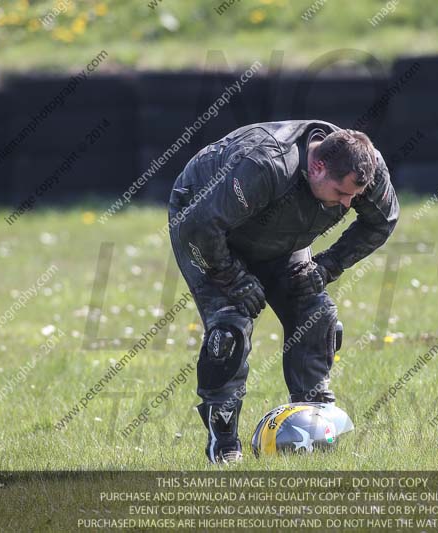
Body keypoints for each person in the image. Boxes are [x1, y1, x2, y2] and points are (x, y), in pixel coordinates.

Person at [168, 120, 399, 463]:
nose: (349, 204)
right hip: (208, 231)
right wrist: (232, 276)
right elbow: (201, 225)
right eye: (341, 194)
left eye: (355, 196)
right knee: (230, 330)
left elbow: (382, 221)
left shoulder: (364, 165)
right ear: (317, 166)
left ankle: (312, 421)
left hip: (283, 236)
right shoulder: (264, 164)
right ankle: (225, 443)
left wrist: (327, 266)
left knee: (316, 313)